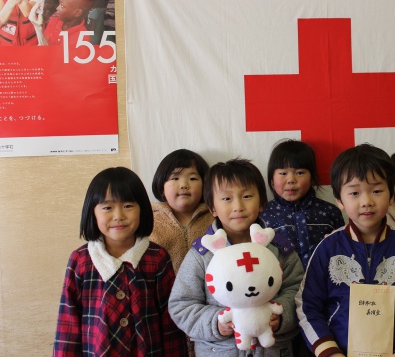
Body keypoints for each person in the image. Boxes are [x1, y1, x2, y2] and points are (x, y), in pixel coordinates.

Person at [296, 144, 395, 357]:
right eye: (354, 192)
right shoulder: (328, 248)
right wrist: (329, 352)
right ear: (339, 200)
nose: (367, 202)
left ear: (391, 196)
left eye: (377, 191)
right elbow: (307, 307)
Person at [169, 158, 304, 357]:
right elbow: (181, 305)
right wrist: (216, 322)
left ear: (261, 203)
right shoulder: (201, 254)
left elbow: (299, 292)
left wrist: (281, 315)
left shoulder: (279, 248)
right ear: (212, 208)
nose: (238, 206)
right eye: (226, 198)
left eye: (247, 196)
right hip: (218, 351)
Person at [53, 167, 188, 356]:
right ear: (92, 212)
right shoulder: (81, 260)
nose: (118, 216)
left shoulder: (157, 258)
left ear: (142, 209)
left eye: (128, 206)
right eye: (107, 208)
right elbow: (68, 325)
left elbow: (169, 321)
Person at [260, 139, 345, 268]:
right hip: (283, 280)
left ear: (312, 178)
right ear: (272, 179)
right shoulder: (263, 215)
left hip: (324, 279)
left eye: (299, 173)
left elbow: (343, 252)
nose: (291, 180)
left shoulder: (330, 212)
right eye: (283, 173)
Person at [149, 149, 212, 274]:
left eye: (193, 178)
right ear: (161, 187)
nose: (184, 185)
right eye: (175, 178)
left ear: (205, 186)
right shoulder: (150, 221)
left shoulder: (215, 218)